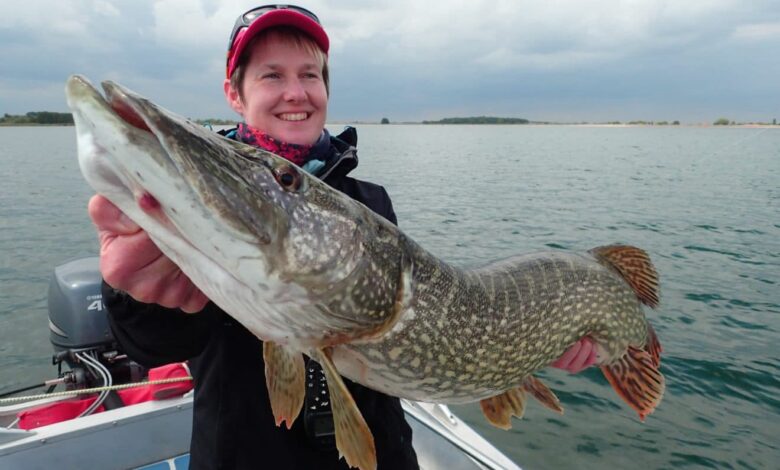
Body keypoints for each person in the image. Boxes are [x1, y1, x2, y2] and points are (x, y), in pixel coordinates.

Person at [87, 5, 595, 469]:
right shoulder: (222, 214)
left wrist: (538, 344)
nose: (296, 92)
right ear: (235, 94)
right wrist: (136, 296)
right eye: (272, 76)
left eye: (310, 75)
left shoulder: (370, 205)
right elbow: (155, 342)